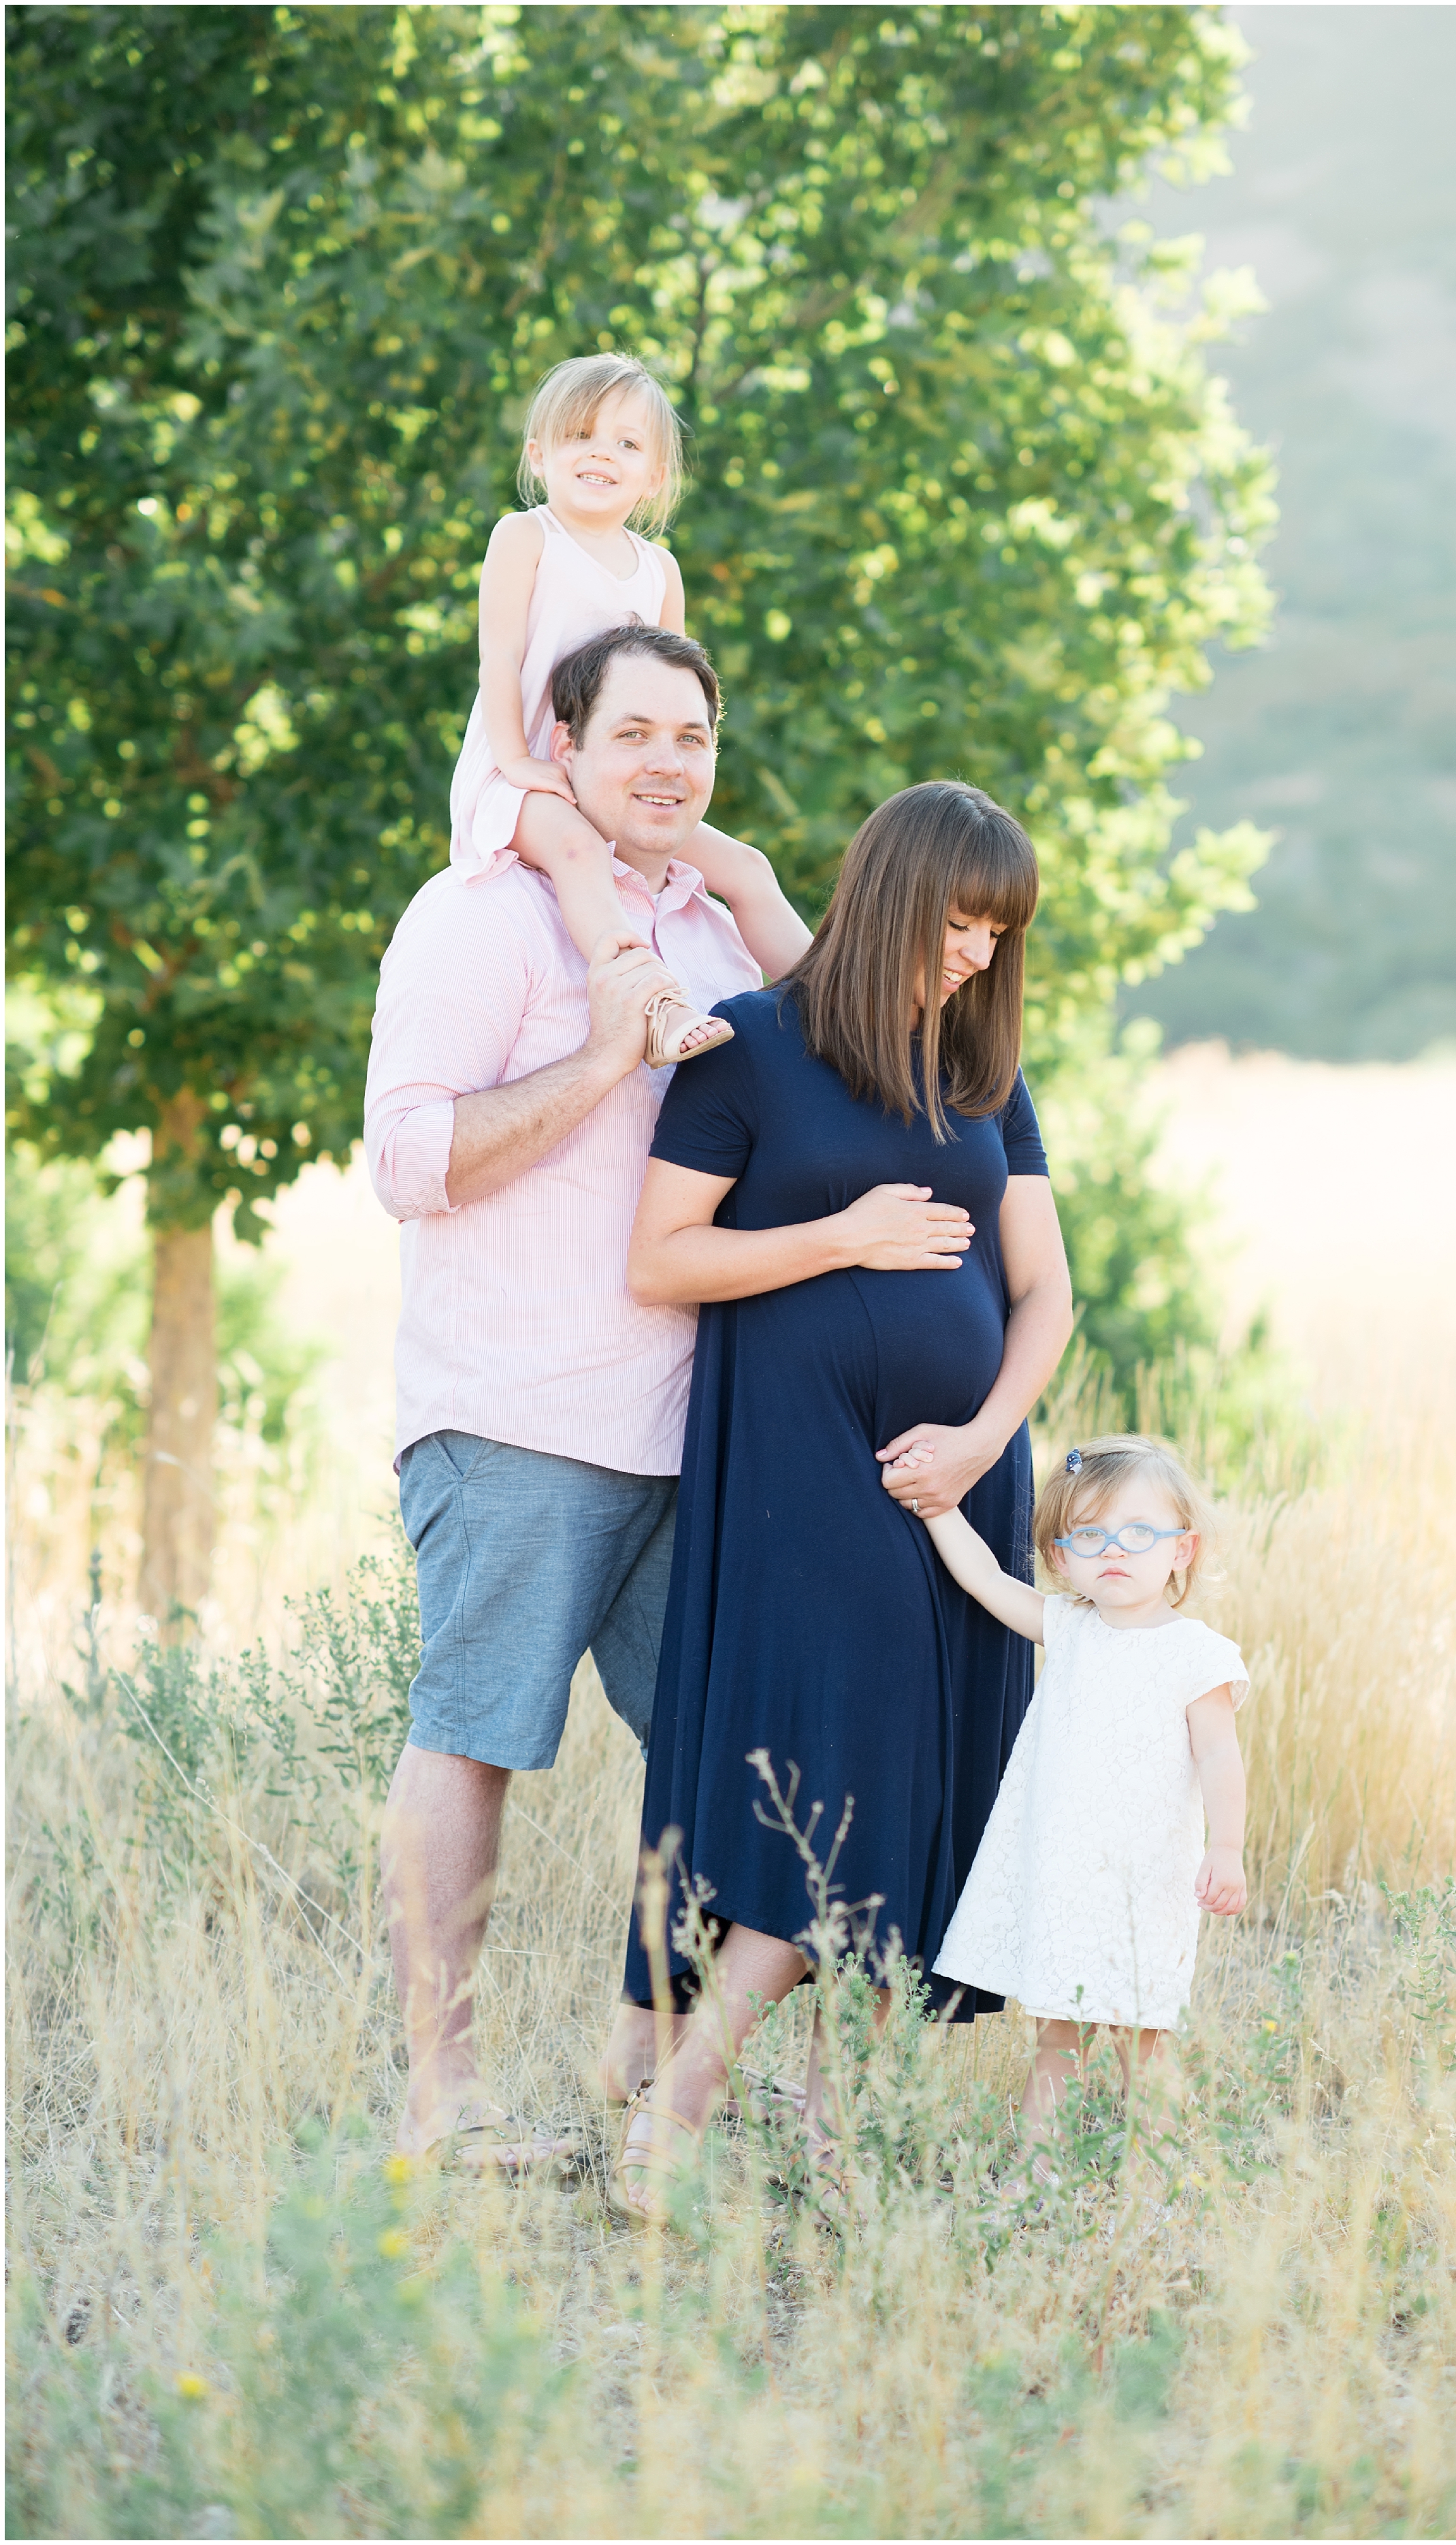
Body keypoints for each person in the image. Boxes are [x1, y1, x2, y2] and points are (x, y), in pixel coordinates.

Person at [606, 780, 1076, 2220]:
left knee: (924, 1799)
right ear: (886, 900)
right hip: (801, 1488)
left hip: (959, 1494)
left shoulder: (987, 1080)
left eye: (1001, 935)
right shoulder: (750, 1049)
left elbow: (1045, 1293)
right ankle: (669, 2118)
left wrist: (985, 1441)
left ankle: (834, 2137)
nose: (979, 958)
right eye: (959, 924)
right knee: (843, 1786)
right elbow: (661, 1262)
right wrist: (840, 1238)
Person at [365, 624, 772, 2170]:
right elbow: (407, 1161)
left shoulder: (715, 934)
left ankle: (658, 2062)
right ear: (565, 746)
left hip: (706, 1432)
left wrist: (765, 895)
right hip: (520, 1414)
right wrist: (604, 1061)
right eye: (637, 736)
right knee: (476, 1735)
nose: (669, 763)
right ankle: (443, 2097)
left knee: (725, 1746)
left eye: (695, 738)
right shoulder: (484, 921)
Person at [449, 351, 809, 1060]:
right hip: (526, 777)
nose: (600, 454)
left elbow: (673, 688)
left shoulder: (658, 568)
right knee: (579, 851)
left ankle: (847, 1003)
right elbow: (500, 658)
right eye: (579, 435)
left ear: (655, 477)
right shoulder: (526, 538)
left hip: (613, 781)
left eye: (626, 443)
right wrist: (517, 761)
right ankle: (656, 1007)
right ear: (539, 454)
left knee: (746, 867)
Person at [922, 1432, 1250, 2175]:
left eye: (1139, 1533)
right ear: (1061, 1555)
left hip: (1145, 1881)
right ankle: (1039, 2181)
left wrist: (1225, 1848)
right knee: (1056, 2036)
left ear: (1182, 1550)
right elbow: (980, 1579)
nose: (1115, 1550)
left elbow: (1219, 1757)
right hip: (1066, 1877)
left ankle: (1159, 2185)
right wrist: (940, 1508)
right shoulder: (1068, 1629)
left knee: (1144, 2036)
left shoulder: (1195, 1654)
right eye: (1090, 1533)